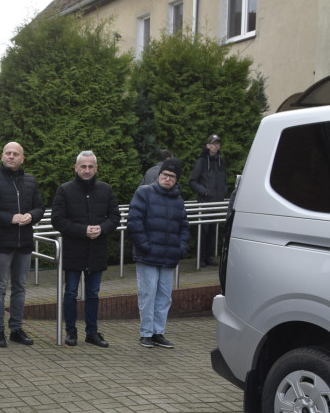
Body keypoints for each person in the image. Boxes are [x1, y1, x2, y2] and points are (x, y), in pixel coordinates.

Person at [51, 151, 120, 348]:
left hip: (97, 250)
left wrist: (103, 228)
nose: (87, 170)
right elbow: (58, 220)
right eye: (83, 166)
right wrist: (83, 230)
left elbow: (114, 217)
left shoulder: (106, 190)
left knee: (93, 294)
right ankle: (70, 332)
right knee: (71, 293)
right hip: (74, 250)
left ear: (96, 168)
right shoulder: (64, 190)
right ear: (76, 167)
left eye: (90, 166)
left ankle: (92, 332)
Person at [0, 141, 45, 348]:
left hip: (24, 243)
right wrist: (10, 218)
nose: (11, 156)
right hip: (1, 243)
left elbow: (40, 207)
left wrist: (31, 215)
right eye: (8, 153)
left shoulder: (30, 181)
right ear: (2, 156)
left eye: (15, 154)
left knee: (20, 288)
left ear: (22, 158)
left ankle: (16, 329)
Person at [128, 158, 190, 349]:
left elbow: (184, 227)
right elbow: (134, 221)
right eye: (165, 175)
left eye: (172, 176)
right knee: (148, 293)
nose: (167, 179)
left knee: (164, 296)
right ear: (159, 175)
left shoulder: (178, 200)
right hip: (148, 255)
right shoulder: (144, 193)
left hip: (169, 256)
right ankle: (146, 333)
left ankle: (158, 332)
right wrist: (145, 245)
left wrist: (181, 248)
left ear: (176, 179)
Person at [188, 133, 227, 267]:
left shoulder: (222, 161)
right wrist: (204, 192)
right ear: (208, 145)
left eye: (218, 143)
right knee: (203, 231)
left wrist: (223, 192)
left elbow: (224, 180)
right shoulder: (202, 161)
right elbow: (192, 181)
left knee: (212, 231)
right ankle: (200, 258)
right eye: (214, 143)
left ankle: (208, 257)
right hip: (205, 202)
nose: (216, 146)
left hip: (217, 202)